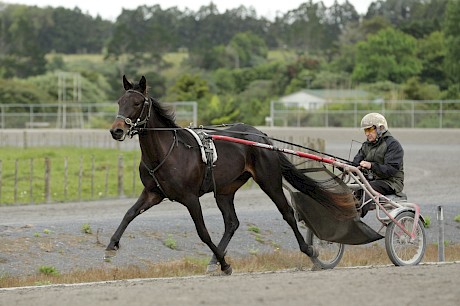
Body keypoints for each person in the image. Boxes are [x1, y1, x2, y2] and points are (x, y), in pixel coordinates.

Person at [352, 112, 405, 217]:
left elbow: (390, 170)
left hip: (391, 182)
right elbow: (355, 164)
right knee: (352, 186)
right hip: (373, 179)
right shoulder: (366, 145)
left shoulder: (393, 145)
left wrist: (371, 166)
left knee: (367, 187)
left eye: (370, 129)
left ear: (380, 128)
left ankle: (356, 216)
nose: (367, 134)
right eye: (365, 130)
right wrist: (340, 165)